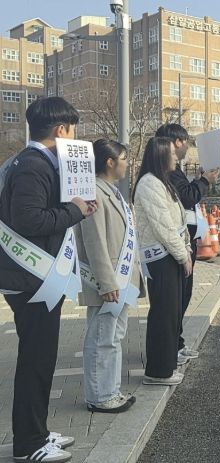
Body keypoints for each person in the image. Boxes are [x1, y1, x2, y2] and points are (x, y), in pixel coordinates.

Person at [0, 97, 97, 463]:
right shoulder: (33, 166)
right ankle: (29, 444)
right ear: (61, 130)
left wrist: (76, 208)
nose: (74, 136)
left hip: (35, 278)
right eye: (73, 129)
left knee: (40, 358)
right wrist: (74, 210)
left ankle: (37, 431)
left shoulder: (30, 162)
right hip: (32, 280)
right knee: (36, 361)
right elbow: (29, 220)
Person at [75, 139, 145, 413]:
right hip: (108, 282)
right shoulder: (92, 192)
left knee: (114, 337)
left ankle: (111, 391)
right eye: (124, 159)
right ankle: (100, 396)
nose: (127, 164)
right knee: (102, 338)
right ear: (109, 161)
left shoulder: (112, 192)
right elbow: (94, 241)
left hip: (121, 280)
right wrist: (106, 282)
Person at [155, 123, 219, 365]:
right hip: (175, 247)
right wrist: (204, 181)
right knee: (174, 301)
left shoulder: (173, 171)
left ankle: (177, 343)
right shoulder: (167, 172)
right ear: (176, 142)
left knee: (182, 296)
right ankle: (170, 349)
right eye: (185, 142)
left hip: (185, 243)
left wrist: (199, 180)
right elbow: (187, 197)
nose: (186, 148)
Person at [133, 136, 192, 386]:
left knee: (171, 312)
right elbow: (164, 227)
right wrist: (183, 255)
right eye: (172, 153)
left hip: (170, 256)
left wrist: (185, 249)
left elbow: (178, 222)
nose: (176, 157)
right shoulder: (149, 184)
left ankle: (166, 366)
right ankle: (158, 371)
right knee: (163, 314)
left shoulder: (161, 181)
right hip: (160, 258)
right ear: (160, 156)